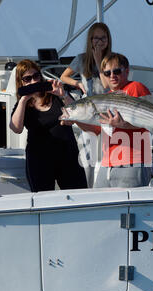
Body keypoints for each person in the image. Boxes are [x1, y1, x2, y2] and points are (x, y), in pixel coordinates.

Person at [62, 52, 153, 188]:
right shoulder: (107, 97)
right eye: (107, 73)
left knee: (128, 209)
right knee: (100, 206)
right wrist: (76, 120)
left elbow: (150, 122)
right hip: (107, 165)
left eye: (116, 71)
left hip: (133, 162)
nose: (112, 76)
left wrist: (123, 125)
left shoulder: (136, 87)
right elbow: (96, 130)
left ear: (127, 71)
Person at [10, 59, 87, 192]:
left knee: (79, 197)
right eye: (27, 79)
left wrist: (63, 95)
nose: (33, 81)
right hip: (39, 161)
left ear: (40, 76)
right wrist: (23, 99)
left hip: (67, 157)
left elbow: (76, 115)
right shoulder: (23, 105)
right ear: (21, 82)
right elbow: (16, 128)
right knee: (43, 201)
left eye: (36, 76)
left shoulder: (56, 97)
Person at [60, 22, 112, 187]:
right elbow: (64, 77)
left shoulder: (112, 60)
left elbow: (107, 86)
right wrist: (77, 84)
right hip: (89, 114)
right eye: (96, 38)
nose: (99, 41)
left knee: (106, 156)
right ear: (90, 40)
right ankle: (88, 189)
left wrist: (98, 61)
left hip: (108, 113)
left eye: (103, 38)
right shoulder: (81, 59)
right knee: (88, 158)